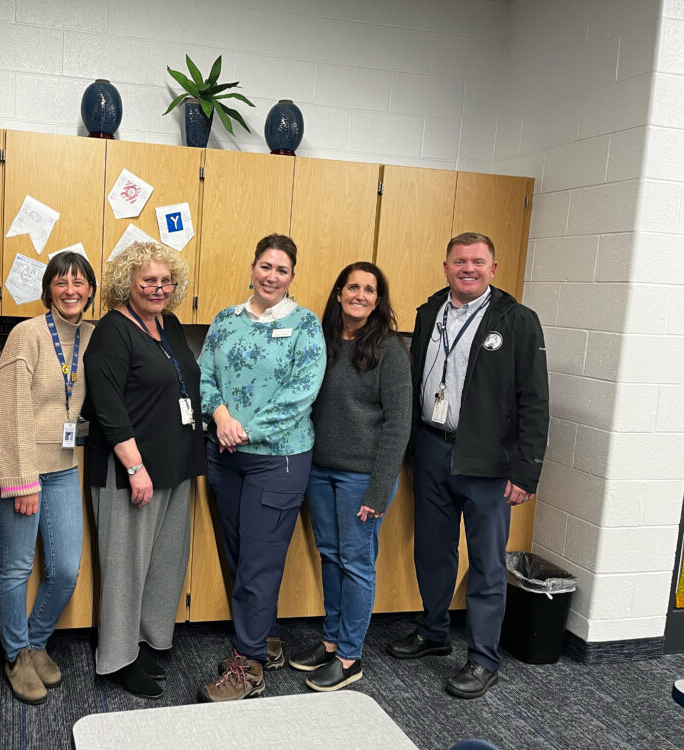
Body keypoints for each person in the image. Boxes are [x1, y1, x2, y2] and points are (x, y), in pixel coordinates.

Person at [386, 231, 548, 699]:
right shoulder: (428, 312)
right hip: (433, 448)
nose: (469, 268)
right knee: (433, 551)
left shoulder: (517, 321)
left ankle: (482, 659)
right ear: (446, 266)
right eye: (460, 261)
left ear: (493, 269)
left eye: (478, 262)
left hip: (489, 461)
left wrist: (526, 471)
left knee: (486, 564)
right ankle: (434, 633)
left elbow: (535, 401)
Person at [196, 233, 326, 702]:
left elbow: (301, 393)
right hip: (225, 457)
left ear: (293, 277)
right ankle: (263, 640)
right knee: (237, 556)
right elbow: (203, 375)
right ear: (252, 268)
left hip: (279, 460)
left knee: (260, 560)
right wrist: (220, 416)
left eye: (282, 270)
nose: (272, 276)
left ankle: (247, 666)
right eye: (265, 267)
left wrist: (246, 430)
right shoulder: (225, 321)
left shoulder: (306, 326)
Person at [83, 241, 205, 700]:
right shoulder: (112, 331)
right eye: (147, 280)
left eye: (165, 281)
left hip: (176, 464)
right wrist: (135, 468)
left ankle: (150, 640)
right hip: (132, 471)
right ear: (127, 284)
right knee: (126, 568)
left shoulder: (168, 325)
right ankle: (117, 657)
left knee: (165, 564)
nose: (158, 288)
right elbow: (110, 409)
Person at [289, 261, 411, 691]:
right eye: (353, 287)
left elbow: (399, 425)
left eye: (370, 290)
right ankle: (330, 641)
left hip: (363, 477)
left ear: (378, 299)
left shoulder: (390, 350)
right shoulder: (322, 340)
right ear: (339, 292)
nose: (360, 295)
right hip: (320, 470)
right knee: (330, 556)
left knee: (357, 563)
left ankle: (349, 657)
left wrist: (379, 490)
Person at [0, 252, 96, 705]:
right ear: (49, 288)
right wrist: (22, 479)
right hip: (18, 467)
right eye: (62, 282)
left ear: (90, 290)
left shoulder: (91, 336)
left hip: (63, 467)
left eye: (80, 282)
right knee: (16, 567)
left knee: (66, 569)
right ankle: (14, 656)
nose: (71, 290)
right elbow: (8, 412)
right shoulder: (26, 334)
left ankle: (34, 641)